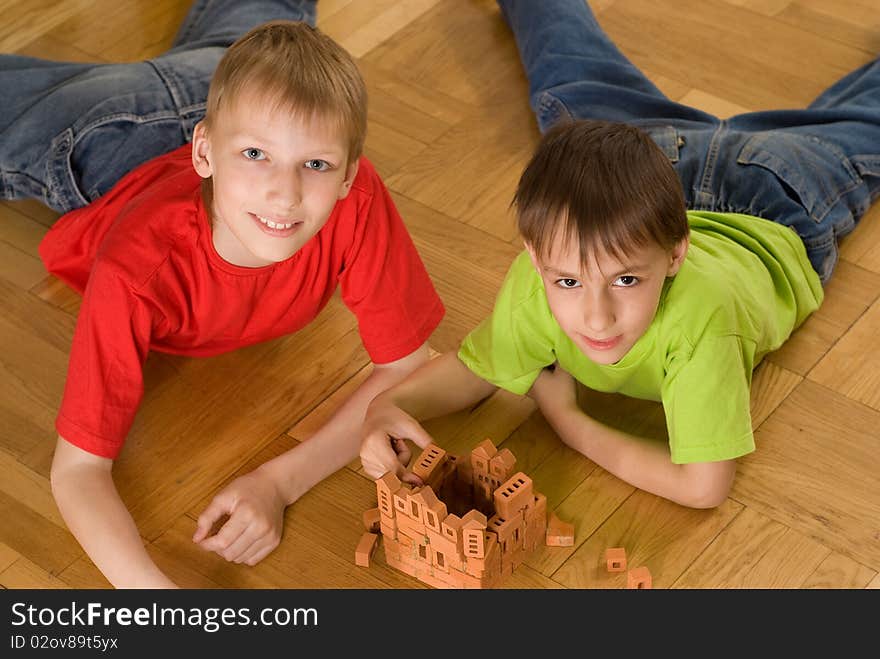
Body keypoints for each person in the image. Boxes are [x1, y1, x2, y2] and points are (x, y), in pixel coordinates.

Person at [359, 0, 879, 509]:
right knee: (568, 66)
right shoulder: (541, 276)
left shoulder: (702, 324)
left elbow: (704, 488)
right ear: (536, 262)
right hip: (646, 172)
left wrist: (570, 421)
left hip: (772, 198)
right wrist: (388, 405)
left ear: (677, 256)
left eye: (625, 282)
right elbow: (477, 371)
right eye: (567, 283)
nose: (596, 315)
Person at [3, 4, 444, 588]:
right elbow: (77, 471)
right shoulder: (135, 270)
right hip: (110, 140)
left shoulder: (355, 199)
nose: (284, 195)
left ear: (346, 175)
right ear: (204, 153)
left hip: (240, 87)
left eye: (315, 164)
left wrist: (279, 481)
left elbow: (409, 366)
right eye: (257, 157)